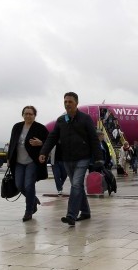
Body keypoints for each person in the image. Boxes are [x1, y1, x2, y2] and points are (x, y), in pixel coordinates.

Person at [39, 92, 103, 226]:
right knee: (77, 186)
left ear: (76, 103)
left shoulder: (85, 119)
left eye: (70, 102)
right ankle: (85, 212)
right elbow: (53, 137)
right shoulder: (61, 120)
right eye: (65, 101)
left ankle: (71, 215)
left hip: (83, 157)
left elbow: (93, 139)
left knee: (76, 185)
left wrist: (98, 158)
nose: (67, 104)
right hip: (67, 159)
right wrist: (44, 151)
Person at [7, 106, 49, 222]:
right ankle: (33, 200)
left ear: (35, 115)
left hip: (32, 161)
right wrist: (9, 158)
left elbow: (49, 142)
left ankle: (28, 211)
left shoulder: (40, 128)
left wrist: (40, 143)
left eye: (31, 114)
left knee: (29, 186)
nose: (28, 116)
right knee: (19, 185)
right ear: (23, 115)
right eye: (26, 114)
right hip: (18, 162)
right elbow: (12, 143)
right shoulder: (17, 127)